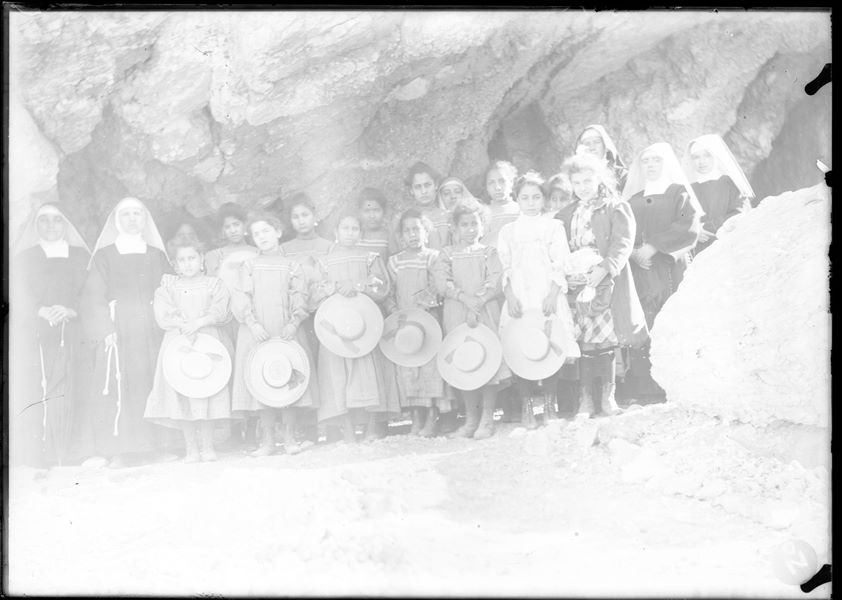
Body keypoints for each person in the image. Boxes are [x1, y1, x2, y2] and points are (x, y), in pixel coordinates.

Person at [76, 197, 173, 468]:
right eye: (127, 214)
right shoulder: (105, 255)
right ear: (118, 220)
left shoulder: (156, 255)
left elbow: (169, 289)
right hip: (119, 330)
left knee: (151, 383)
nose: (132, 219)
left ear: (145, 219)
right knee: (119, 387)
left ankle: (158, 446)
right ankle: (120, 450)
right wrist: (105, 328)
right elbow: (92, 297)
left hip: (151, 329)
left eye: (137, 214)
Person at [556, 154, 649, 418]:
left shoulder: (615, 207)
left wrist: (606, 268)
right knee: (585, 342)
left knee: (604, 342)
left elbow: (622, 242)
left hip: (604, 282)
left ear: (600, 179)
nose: (584, 186)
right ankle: (585, 401)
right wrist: (567, 275)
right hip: (578, 284)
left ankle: (607, 399)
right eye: (577, 182)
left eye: (588, 180)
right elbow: (560, 249)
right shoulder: (566, 214)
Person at [230, 213, 319, 457]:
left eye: (267, 231)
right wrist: (252, 323)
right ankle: (267, 441)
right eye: (257, 234)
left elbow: (299, 296)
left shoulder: (293, 266)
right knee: (261, 380)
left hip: (285, 329)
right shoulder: (248, 266)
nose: (262, 237)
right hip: (257, 331)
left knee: (289, 379)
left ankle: (290, 438)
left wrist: (294, 322)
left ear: (278, 232)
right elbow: (241, 297)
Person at [621, 142, 703, 403]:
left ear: (666, 163)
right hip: (640, 270)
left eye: (656, 160)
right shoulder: (633, 199)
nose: (651, 165)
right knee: (642, 322)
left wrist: (654, 246)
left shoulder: (678, 192)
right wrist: (634, 252)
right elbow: (623, 231)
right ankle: (643, 388)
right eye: (645, 161)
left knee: (669, 321)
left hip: (669, 268)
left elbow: (688, 226)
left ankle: (672, 387)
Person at [497, 171, 580, 428]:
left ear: (543, 199)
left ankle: (550, 404)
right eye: (525, 197)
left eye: (536, 197)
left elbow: (561, 262)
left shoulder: (553, 227)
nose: (531, 202)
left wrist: (554, 294)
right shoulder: (508, 231)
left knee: (550, 341)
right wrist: (510, 296)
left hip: (546, 293)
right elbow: (505, 267)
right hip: (521, 295)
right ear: (517, 199)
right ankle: (526, 405)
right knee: (522, 345)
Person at [11, 203, 91, 467]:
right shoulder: (24, 258)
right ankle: (39, 454)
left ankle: (73, 453)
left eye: (57, 220)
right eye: (43, 221)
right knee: (39, 388)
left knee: (74, 387)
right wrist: (40, 310)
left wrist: (71, 309)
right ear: (36, 226)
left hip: (73, 328)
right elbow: (16, 292)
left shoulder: (81, 256)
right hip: (36, 330)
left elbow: (90, 291)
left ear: (65, 225)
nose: (51, 226)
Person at [312, 212, 400, 443]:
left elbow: (381, 287)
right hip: (336, 327)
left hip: (364, 324)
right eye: (345, 228)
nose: (350, 233)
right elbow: (316, 290)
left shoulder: (370, 258)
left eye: (354, 229)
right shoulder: (325, 261)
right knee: (338, 374)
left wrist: (357, 285)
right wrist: (337, 286)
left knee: (368, 372)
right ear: (336, 232)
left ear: (360, 233)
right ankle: (347, 428)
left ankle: (372, 425)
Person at [143, 238, 232, 462]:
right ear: (175, 264)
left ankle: (208, 445)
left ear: (201, 259)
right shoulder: (169, 286)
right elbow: (164, 312)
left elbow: (220, 310)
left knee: (207, 389)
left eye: (192, 258)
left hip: (207, 338)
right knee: (183, 391)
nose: (187, 264)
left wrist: (199, 323)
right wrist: (183, 325)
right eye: (181, 260)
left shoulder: (214, 284)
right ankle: (191, 447)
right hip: (179, 341)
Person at [434, 199, 511, 439]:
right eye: (464, 225)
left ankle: (487, 417)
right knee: (465, 361)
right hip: (457, 312)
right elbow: (441, 281)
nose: (470, 229)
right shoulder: (447, 254)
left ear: (482, 226)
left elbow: (496, 279)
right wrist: (464, 298)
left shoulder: (489, 252)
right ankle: (471, 419)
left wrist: (479, 300)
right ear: (455, 228)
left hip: (485, 310)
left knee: (486, 360)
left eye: (474, 224)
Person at [384, 209, 448, 437]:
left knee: (429, 368)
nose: (412, 235)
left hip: (428, 320)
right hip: (404, 324)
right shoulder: (395, 262)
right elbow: (388, 292)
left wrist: (425, 303)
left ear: (426, 231)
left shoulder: (433, 257)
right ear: (401, 235)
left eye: (417, 229)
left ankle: (432, 415)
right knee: (408, 368)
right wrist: (394, 312)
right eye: (407, 230)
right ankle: (416, 416)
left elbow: (438, 286)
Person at [682, 134, 754, 253]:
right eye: (696, 157)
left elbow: (739, 213)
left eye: (707, 155)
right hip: (700, 249)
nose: (702, 161)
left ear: (715, 156)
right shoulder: (689, 190)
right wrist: (693, 231)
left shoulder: (730, 182)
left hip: (729, 245)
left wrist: (704, 227)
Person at [395, 162, 450, 250]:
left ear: (436, 185)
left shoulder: (447, 216)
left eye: (427, 185)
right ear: (411, 190)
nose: (424, 191)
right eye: (418, 187)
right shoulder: (402, 219)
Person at [204, 202, 253, 277]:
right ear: (223, 230)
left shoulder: (258, 253)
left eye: (236, 225)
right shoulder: (214, 256)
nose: (233, 230)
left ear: (245, 224)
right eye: (227, 227)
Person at [574, 124, 628, 193]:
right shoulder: (575, 178)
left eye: (597, 142)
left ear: (606, 147)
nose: (592, 148)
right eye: (587, 144)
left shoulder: (622, 175)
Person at [480, 160, 520, 248]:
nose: (497, 187)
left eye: (502, 181)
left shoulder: (521, 210)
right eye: (491, 183)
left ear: (511, 182)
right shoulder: (482, 214)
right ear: (486, 187)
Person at [357, 187, 398, 263]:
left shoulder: (387, 235)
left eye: (376, 210)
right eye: (367, 211)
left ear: (384, 211)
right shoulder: (357, 235)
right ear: (360, 212)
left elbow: (395, 259)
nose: (372, 216)